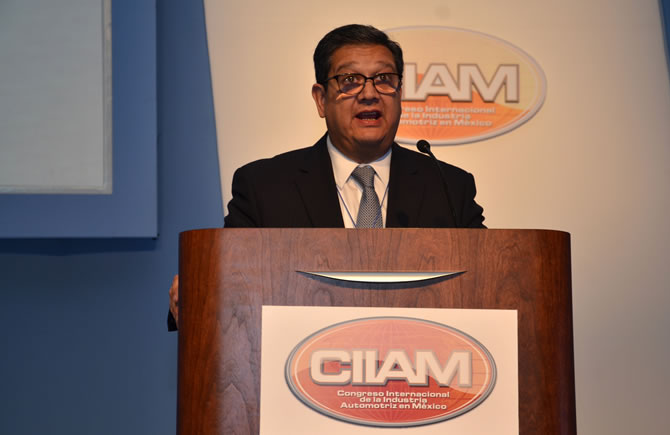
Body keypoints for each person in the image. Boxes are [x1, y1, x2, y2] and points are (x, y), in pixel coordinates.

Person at [168, 24, 485, 330]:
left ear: (399, 93)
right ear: (321, 99)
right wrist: (199, 295)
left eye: (384, 79)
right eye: (350, 80)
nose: (369, 93)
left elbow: (489, 283)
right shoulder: (265, 187)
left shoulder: (448, 187)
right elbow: (229, 285)